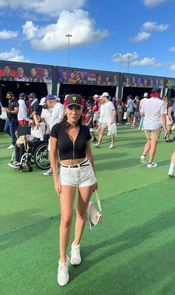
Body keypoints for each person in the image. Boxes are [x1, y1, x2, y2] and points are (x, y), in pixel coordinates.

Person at [49, 94, 97, 287]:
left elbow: (90, 154)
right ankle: (62, 261)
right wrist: (55, 179)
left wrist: (95, 177)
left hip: (86, 173)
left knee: (82, 213)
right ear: (65, 109)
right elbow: (52, 155)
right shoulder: (57, 129)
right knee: (66, 217)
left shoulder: (85, 130)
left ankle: (75, 245)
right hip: (67, 174)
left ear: (81, 110)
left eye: (77, 108)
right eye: (71, 108)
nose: (74, 112)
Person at [140, 89, 167, 168]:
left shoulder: (145, 101)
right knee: (153, 143)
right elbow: (162, 116)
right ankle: (150, 163)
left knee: (149, 140)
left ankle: (143, 156)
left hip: (146, 124)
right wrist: (165, 127)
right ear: (158, 94)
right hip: (155, 125)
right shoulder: (161, 102)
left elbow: (142, 113)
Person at [43, 94, 64, 176]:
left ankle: (60, 168)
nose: (46, 104)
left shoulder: (60, 106)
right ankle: (53, 168)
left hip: (58, 132)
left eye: (46, 102)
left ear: (49, 101)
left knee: (57, 151)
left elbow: (62, 119)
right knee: (52, 151)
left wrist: (57, 130)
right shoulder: (54, 108)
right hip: (53, 132)